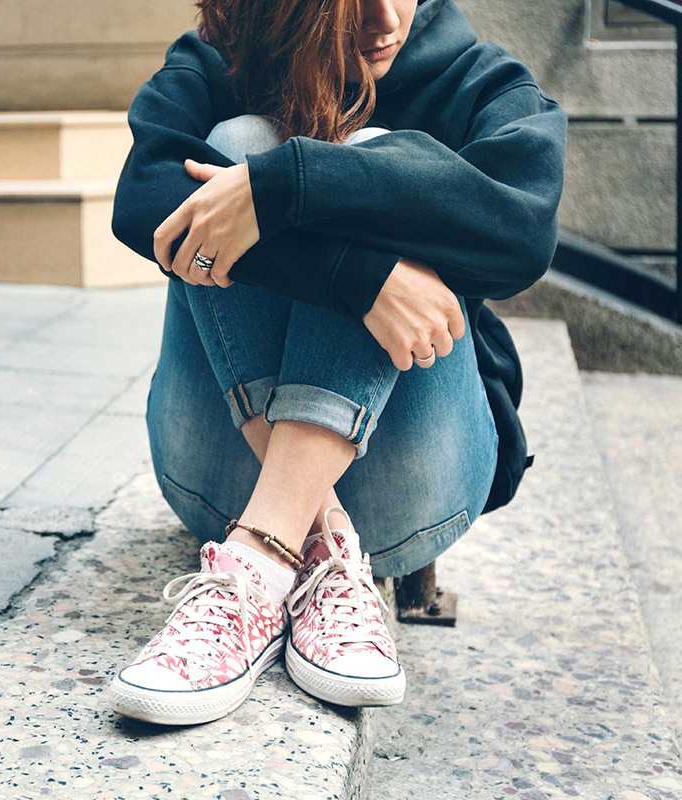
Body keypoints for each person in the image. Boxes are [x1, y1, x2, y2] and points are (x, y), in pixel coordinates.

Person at [105, 0, 567, 724]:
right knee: (237, 138)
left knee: (374, 147)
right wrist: (362, 276)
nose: (386, 19)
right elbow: (144, 199)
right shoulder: (215, 62)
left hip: (415, 484)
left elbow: (527, 227)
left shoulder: (476, 79)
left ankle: (255, 562)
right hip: (217, 469)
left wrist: (292, 184)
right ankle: (313, 541)